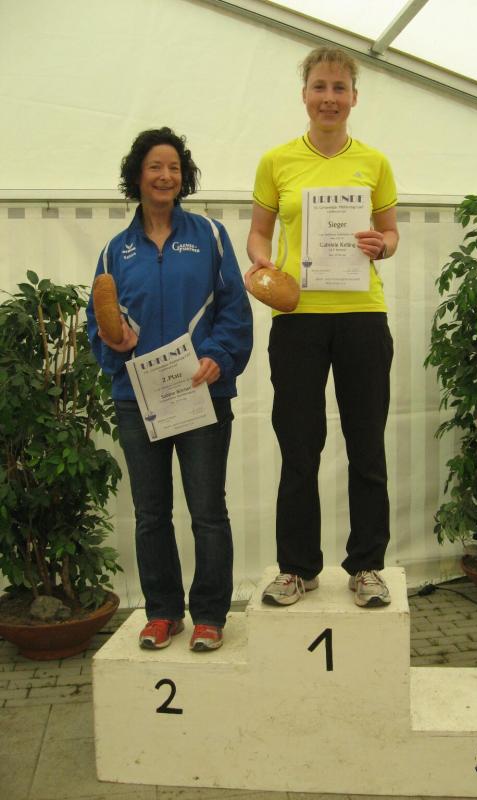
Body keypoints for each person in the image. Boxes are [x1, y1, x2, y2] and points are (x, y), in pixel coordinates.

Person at [87, 127, 253, 651]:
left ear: (184, 177)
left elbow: (234, 308)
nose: (166, 176)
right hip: (137, 400)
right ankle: (162, 613)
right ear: (137, 176)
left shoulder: (211, 236)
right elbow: (98, 323)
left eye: (174, 168)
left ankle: (210, 615)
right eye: (155, 167)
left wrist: (218, 357)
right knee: (151, 514)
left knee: (208, 512)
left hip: (203, 393)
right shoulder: (115, 252)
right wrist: (114, 341)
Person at [245, 47, 399, 608]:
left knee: (367, 444)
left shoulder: (375, 162)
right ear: (304, 95)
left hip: (363, 316)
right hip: (298, 320)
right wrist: (261, 263)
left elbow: (391, 233)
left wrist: (383, 244)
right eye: (319, 87)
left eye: (339, 88)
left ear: (354, 96)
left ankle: (367, 567)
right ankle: (297, 568)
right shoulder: (276, 161)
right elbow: (258, 234)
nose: (329, 98)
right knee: (299, 445)